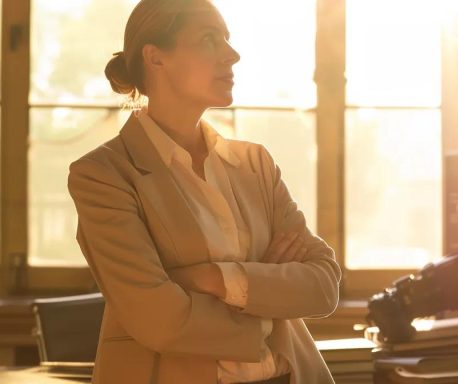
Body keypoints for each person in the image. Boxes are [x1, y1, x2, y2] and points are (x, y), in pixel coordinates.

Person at [67, 0, 342, 383]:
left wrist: (212, 279)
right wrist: (268, 298)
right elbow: (158, 320)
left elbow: (324, 285)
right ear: (155, 57)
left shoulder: (255, 164)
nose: (233, 54)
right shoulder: (103, 175)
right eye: (210, 39)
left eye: (227, 39)